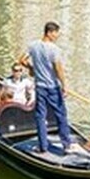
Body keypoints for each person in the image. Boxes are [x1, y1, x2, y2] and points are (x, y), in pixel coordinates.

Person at [18, 21, 72, 156]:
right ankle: (66, 145)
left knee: (40, 117)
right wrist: (64, 86)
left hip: (40, 87)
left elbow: (21, 60)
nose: (57, 36)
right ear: (49, 32)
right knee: (61, 115)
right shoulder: (54, 49)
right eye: (56, 33)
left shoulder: (32, 45)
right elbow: (58, 69)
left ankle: (43, 147)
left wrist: (31, 68)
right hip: (53, 87)